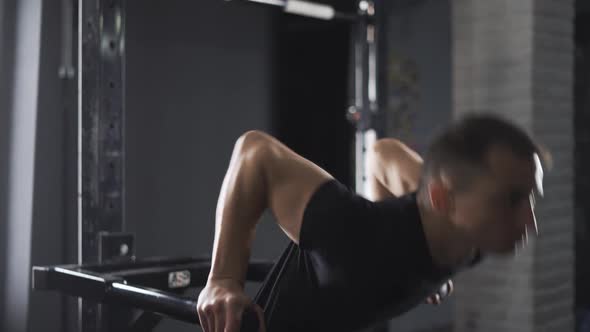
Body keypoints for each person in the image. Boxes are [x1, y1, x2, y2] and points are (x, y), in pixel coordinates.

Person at [196, 113, 546, 332]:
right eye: (510, 201)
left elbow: (384, 154)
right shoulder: (353, 239)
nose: (529, 222)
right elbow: (255, 151)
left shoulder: (472, 236)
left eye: (531, 197)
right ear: (443, 200)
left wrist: (416, 259)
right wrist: (223, 279)